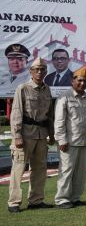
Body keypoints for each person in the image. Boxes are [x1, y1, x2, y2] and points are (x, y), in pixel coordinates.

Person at [7, 57, 54, 213]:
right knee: (18, 169)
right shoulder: (23, 88)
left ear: (46, 72)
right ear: (31, 71)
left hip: (41, 135)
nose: (40, 72)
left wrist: (51, 133)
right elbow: (16, 113)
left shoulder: (47, 89)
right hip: (25, 134)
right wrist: (17, 136)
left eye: (42, 69)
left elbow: (50, 114)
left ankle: (36, 200)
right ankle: (14, 202)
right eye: (37, 69)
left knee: (40, 169)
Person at [54, 66, 86, 209]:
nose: (83, 83)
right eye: (80, 80)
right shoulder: (64, 97)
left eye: (85, 81)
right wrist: (61, 139)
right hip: (69, 142)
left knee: (81, 172)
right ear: (73, 81)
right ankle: (62, 199)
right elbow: (59, 121)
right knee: (66, 170)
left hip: (84, 140)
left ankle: (75, 197)